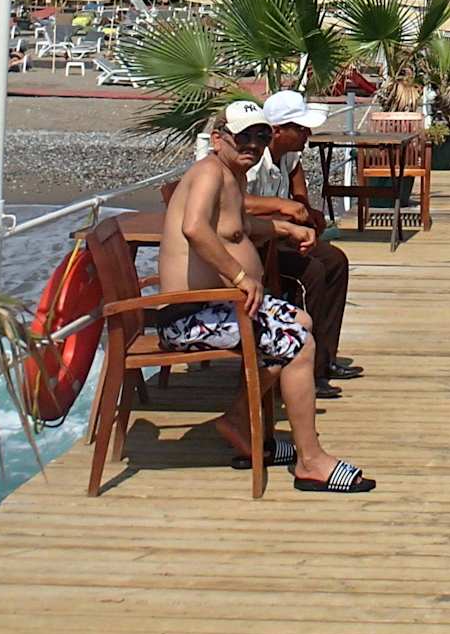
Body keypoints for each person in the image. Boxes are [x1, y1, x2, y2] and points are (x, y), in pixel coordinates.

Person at [157, 102, 375, 492]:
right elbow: (195, 228)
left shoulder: (231, 175)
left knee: (302, 322)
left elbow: (238, 226)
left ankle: (239, 420)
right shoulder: (208, 172)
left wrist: (285, 229)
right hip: (190, 316)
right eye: (244, 136)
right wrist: (241, 275)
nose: (253, 144)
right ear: (218, 139)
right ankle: (311, 461)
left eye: (261, 136)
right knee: (297, 343)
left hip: (215, 307)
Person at [244, 90, 361, 397]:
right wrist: (283, 206)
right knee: (311, 272)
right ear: (277, 131)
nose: (307, 134)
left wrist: (307, 212)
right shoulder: (253, 160)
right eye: (300, 128)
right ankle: (306, 368)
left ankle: (325, 357)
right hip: (255, 246)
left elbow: (300, 194)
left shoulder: (290, 156)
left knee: (336, 261)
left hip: (281, 236)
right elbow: (236, 201)